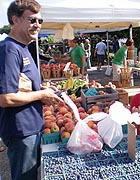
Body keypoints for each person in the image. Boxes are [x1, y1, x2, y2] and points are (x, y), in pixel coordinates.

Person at [0, 1, 63, 179]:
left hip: (31, 128)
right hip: (20, 131)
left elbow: (22, 85)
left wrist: (42, 89)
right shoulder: (10, 50)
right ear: (15, 20)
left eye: (40, 21)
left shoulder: (24, 48)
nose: (37, 25)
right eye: (32, 20)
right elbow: (5, 98)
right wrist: (41, 94)